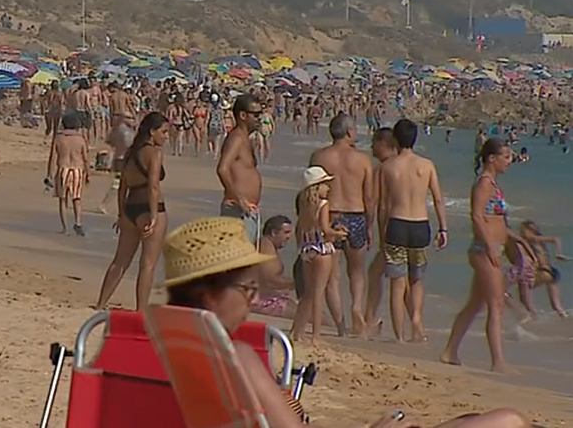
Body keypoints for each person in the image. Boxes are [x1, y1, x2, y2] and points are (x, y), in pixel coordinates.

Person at [162, 216, 531, 428]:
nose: (254, 299)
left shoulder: (156, 349)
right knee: (506, 421)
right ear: (209, 294)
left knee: (481, 420)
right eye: (246, 288)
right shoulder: (234, 357)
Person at [441, 138, 514, 372]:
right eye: (506, 157)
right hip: (485, 250)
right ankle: (498, 361)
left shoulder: (493, 184)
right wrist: (491, 245)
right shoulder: (483, 183)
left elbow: (497, 220)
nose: (509, 162)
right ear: (491, 158)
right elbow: (476, 216)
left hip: (492, 248)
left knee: (475, 304)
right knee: (496, 303)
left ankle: (449, 351)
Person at [379, 119, 448, 343]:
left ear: (395, 139)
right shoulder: (426, 165)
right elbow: (438, 199)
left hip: (397, 225)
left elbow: (383, 205)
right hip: (420, 225)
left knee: (397, 285)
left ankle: (399, 336)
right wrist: (443, 228)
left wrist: (381, 233)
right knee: (417, 279)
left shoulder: (388, 166)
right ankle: (416, 321)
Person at [95, 112, 169, 311]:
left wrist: (121, 214)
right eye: (164, 132)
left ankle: (100, 303)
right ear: (152, 132)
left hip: (129, 208)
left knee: (120, 261)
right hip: (150, 210)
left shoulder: (130, 153)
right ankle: (141, 311)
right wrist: (154, 216)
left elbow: (122, 187)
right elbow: (153, 186)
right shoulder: (154, 153)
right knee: (148, 265)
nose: (166, 136)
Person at [309, 113, 373, 336]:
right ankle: (356, 306)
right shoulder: (363, 160)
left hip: (330, 215)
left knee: (331, 277)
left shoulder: (319, 156)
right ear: (349, 132)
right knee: (356, 271)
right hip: (357, 215)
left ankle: (341, 327)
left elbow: (312, 194)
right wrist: (370, 226)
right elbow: (369, 197)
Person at [290, 166, 348, 344]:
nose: (328, 188)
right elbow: (324, 229)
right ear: (317, 186)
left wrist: (301, 246)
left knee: (308, 294)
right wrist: (339, 234)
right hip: (322, 248)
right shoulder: (323, 204)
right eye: (325, 184)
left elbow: (300, 228)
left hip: (308, 249)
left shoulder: (304, 204)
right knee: (318, 293)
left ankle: (296, 331)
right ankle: (316, 335)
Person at [363, 127, 399, 337]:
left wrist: (371, 228)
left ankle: (370, 319)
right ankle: (416, 326)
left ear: (384, 144)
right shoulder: (405, 165)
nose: (371, 147)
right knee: (407, 280)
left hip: (392, 229)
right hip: (413, 225)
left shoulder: (382, 169)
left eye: (374, 143)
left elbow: (376, 203)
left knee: (376, 273)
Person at [217, 94, 263, 246]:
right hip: (238, 209)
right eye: (256, 115)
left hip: (246, 210)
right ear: (243, 115)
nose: (259, 118)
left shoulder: (244, 138)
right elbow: (222, 169)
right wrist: (239, 199)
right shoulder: (236, 138)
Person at [46, 111, 90, 236]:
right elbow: (85, 158)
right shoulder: (81, 139)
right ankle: (78, 222)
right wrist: (88, 174)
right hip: (77, 170)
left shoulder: (59, 138)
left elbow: (52, 158)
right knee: (77, 199)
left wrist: (49, 174)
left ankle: (65, 228)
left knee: (62, 200)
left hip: (63, 169)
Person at [252, 215, 298, 318]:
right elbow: (270, 281)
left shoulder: (267, 245)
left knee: (310, 310)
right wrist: (299, 283)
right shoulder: (266, 249)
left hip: (267, 296)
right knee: (308, 314)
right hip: (261, 300)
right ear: (273, 233)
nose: (289, 237)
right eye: (286, 232)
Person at [98, 113, 135, 215]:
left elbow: (109, 142)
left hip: (117, 159)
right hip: (124, 160)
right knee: (118, 184)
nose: (132, 120)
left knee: (121, 184)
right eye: (130, 118)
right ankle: (104, 204)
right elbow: (131, 145)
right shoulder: (127, 132)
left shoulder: (116, 130)